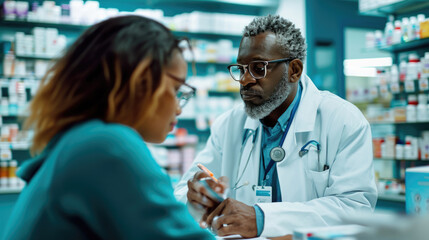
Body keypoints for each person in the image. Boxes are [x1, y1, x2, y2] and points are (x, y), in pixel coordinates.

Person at [2, 16, 214, 240]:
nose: (179, 108)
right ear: (140, 81)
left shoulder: (76, 139)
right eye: (175, 89)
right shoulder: (108, 146)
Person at [174, 15, 377, 238]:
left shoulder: (343, 120)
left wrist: (262, 219)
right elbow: (183, 191)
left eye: (258, 68)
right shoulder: (229, 125)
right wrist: (199, 197)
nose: (245, 80)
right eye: (241, 69)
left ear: (294, 70)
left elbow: (355, 208)